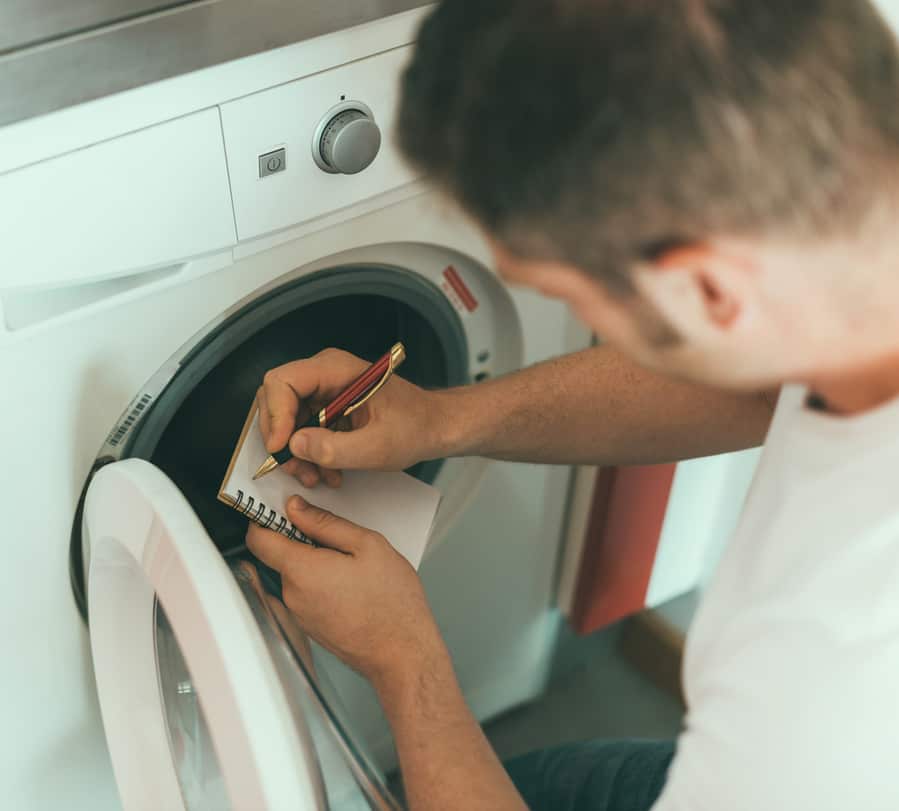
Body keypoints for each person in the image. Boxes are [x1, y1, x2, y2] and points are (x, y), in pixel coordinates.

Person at [246, 1, 899, 809]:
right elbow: (764, 383)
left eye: (562, 292)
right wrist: (442, 417)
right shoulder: (855, 244)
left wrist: (402, 660)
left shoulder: (838, 684)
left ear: (708, 289)